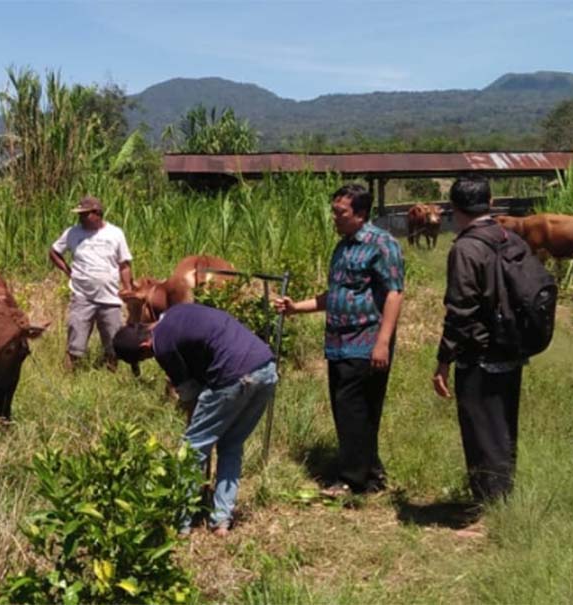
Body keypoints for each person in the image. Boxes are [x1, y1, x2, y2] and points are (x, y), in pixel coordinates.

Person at [274, 184, 404, 498]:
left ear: (360, 214)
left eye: (340, 212)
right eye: (333, 211)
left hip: (366, 340)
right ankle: (371, 472)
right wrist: (296, 308)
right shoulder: (343, 247)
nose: (334, 217)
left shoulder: (382, 245)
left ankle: (351, 480)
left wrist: (383, 342)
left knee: (354, 409)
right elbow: (334, 295)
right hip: (338, 342)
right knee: (355, 409)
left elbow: (394, 294)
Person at [112, 304, 278, 536]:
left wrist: (196, 432)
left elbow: (189, 396)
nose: (152, 358)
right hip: (266, 367)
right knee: (231, 445)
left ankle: (181, 523)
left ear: (144, 346)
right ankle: (221, 521)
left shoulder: (163, 346)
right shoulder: (172, 314)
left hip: (233, 375)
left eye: (146, 356)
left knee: (192, 448)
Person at [432, 176, 527, 504]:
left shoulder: (465, 248)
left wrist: (444, 360)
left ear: (454, 208)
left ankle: (490, 506)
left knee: (480, 431)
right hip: (512, 349)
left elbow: (460, 310)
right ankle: (502, 497)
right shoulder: (510, 238)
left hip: (479, 354)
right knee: (502, 427)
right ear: (490, 202)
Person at [50, 196, 133, 371]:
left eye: (84, 214)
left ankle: (112, 375)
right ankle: (70, 376)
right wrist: (67, 270)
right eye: (79, 214)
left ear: (97, 213)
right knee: (75, 342)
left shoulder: (115, 234)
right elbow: (54, 252)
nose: (80, 218)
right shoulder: (72, 233)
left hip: (109, 297)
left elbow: (124, 264)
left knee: (114, 342)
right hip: (82, 296)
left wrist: (128, 288)